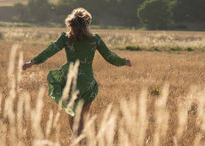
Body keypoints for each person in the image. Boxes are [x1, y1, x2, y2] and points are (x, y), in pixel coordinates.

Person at [23, 8, 132, 136]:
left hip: (71, 81)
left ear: (70, 24)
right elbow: (109, 56)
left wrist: (32, 61)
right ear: (87, 24)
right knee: (83, 117)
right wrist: (124, 61)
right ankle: (82, 142)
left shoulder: (65, 38)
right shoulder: (95, 39)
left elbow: (50, 50)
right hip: (87, 82)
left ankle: (78, 141)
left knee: (72, 113)